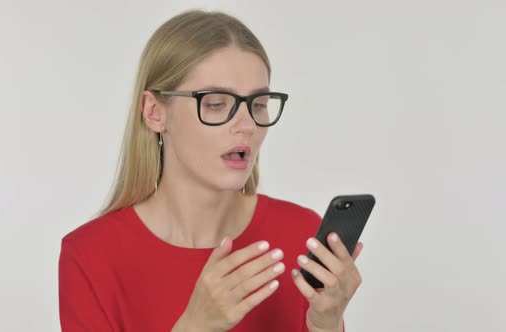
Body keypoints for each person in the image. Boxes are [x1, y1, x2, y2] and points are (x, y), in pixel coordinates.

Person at [58, 9, 363, 332]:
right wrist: (194, 327)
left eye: (258, 104)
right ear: (154, 112)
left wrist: (326, 325)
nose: (246, 125)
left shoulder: (302, 235)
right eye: (217, 104)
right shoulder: (90, 256)